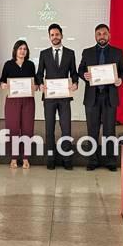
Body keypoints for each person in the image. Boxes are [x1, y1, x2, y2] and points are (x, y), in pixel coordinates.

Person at [78, 24, 123, 171]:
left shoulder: (118, 52)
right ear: (95, 36)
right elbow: (80, 70)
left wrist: (120, 79)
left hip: (109, 96)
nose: (101, 36)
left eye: (104, 33)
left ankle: (110, 161)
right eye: (99, 34)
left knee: (109, 130)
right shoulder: (87, 52)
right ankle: (92, 160)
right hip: (92, 97)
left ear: (109, 35)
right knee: (92, 130)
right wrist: (84, 75)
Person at [36, 23, 78, 170]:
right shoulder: (44, 54)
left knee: (66, 128)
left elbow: (74, 73)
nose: (55, 37)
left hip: (65, 96)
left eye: (57, 34)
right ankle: (50, 159)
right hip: (49, 97)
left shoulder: (70, 53)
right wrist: (40, 84)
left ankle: (67, 159)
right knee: (49, 128)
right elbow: (39, 73)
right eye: (52, 35)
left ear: (61, 35)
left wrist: (76, 83)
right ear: (49, 37)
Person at [0, 40, 38, 169]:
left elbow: (36, 82)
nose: (22, 51)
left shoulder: (30, 65)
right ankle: (14, 158)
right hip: (13, 101)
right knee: (13, 128)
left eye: (25, 49)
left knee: (28, 128)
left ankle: (26, 157)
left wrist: (36, 86)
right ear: (15, 50)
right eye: (20, 48)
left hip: (28, 100)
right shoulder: (8, 64)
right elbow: (2, 81)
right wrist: (3, 85)